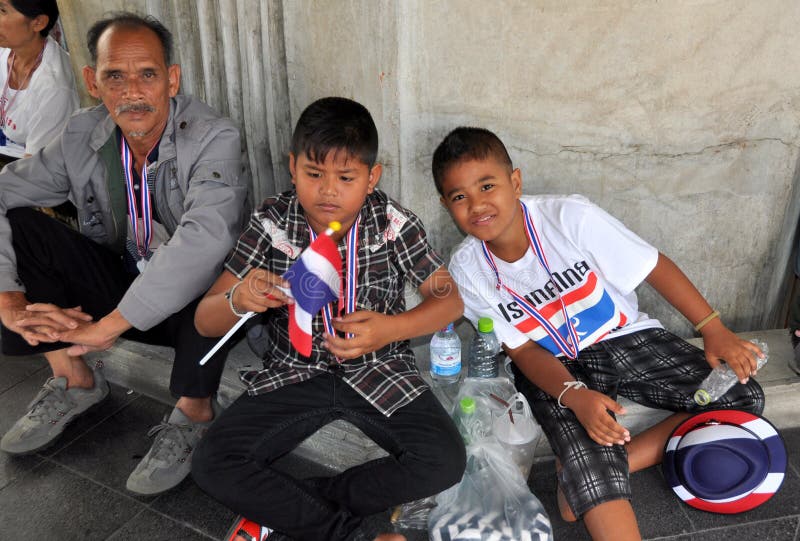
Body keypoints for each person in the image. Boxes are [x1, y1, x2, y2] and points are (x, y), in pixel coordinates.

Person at [434, 127, 765, 541]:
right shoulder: (467, 268)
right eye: (459, 196)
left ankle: (604, 467)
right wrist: (575, 396)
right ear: (447, 205)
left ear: (515, 181)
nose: (477, 204)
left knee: (742, 394)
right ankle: (587, 473)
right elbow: (522, 351)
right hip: (554, 366)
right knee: (589, 465)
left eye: (487, 186)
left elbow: (653, 266)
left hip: (625, 338)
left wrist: (712, 328)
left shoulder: (569, 216)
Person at [191, 97, 466, 541]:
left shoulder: (391, 223)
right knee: (211, 463)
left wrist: (390, 330)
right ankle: (342, 532)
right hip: (294, 371)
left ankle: (290, 507)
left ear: (372, 178)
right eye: (314, 174)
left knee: (444, 460)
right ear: (292, 167)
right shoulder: (273, 221)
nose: (328, 192)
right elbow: (206, 320)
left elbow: (449, 299)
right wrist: (239, 298)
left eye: (346, 177)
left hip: (379, 368)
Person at [0, 12, 249, 497]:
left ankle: (193, 412)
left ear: (171, 79)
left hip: (192, 304)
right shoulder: (82, 135)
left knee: (218, 277)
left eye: (148, 74)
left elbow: (206, 239)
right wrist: (8, 296)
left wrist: (105, 328)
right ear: (94, 82)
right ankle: (75, 380)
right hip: (121, 280)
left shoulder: (213, 136)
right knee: (23, 225)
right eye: (116, 75)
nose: (132, 91)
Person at [0, 0, 78, 157]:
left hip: (23, 163)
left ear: (38, 23)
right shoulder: (7, 49)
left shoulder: (55, 88)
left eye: (2, 10)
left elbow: (33, 170)